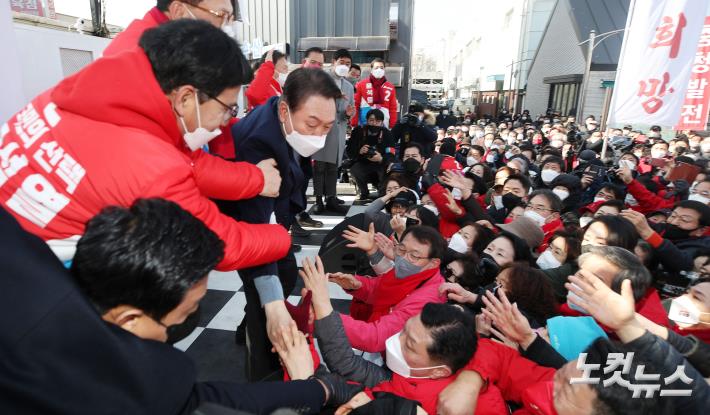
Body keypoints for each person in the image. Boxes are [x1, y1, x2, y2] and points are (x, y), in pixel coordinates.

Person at [0, 203, 354, 415]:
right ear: (129, 319)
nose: (187, 321)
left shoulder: (19, 253)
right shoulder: (119, 387)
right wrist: (317, 388)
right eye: (184, 314)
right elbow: (203, 401)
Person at [0, 20, 288, 271]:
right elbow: (218, 243)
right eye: (227, 108)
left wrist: (255, 179)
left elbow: (190, 165)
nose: (226, 122)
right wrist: (282, 236)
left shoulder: (83, 94)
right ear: (186, 98)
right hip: (35, 280)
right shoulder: (150, 164)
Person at [228, 68, 342, 381]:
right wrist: (274, 306)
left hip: (272, 215)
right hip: (238, 222)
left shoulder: (292, 126)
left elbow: (294, 174)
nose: (319, 135)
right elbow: (257, 229)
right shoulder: (258, 144)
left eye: (328, 127)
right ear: (283, 109)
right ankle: (262, 372)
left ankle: (253, 322)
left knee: (286, 272)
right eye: (312, 124)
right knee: (265, 292)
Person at [318, 224, 446, 353]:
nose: (403, 259)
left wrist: (325, 316)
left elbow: (375, 337)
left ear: (433, 263)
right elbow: (380, 288)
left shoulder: (428, 300)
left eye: (414, 255)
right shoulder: (414, 274)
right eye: (401, 249)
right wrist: (357, 285)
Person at [103, 0, 236, 56]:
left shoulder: (172, 43)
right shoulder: (141, 52)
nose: (226, 25)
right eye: (221, 15)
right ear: (179, 11)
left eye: (229, 17)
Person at [311, 49, 354, 215]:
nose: (344, 66)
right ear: (334, 62)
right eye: (341, 62)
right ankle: (318, 199)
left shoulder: (349, 86)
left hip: (339, 129)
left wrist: (349, 114)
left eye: (348, 64)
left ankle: (331, 197)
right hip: (322, 129)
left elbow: (347, 110)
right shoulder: (322, 79)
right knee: (320, 166)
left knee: (333, 166)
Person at [620, 201, 710, 273]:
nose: (674, 222)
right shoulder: (663, 228)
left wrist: (648, 233)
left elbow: (682, 262)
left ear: (701, 230)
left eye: (685, 220)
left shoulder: (702, 245)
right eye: (673, 216)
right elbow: (648, 226)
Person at [346, 109, 397, 202]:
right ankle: (364, 192)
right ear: (367, 120)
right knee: (355, 169)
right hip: (363, 162)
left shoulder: (387, 133)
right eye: (371, 120)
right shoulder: (359, 131)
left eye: (378, 121)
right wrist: (359, 151)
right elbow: (349, 151)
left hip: (381, 163)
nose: (374, 124)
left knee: (388, 169)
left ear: (382, 122)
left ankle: (382, 192)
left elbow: (392, 154)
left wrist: (381, 158)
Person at [352, 58, 398, 129]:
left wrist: (392, 125)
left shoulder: (390, 87)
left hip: (384, 123)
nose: (379, 70)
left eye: (381, 68)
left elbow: (393, 108)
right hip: (364, 123)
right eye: (376, 67)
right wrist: (354, 122)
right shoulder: (361, 84)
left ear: (384, 70)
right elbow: (356, 104)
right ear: (371, 70)